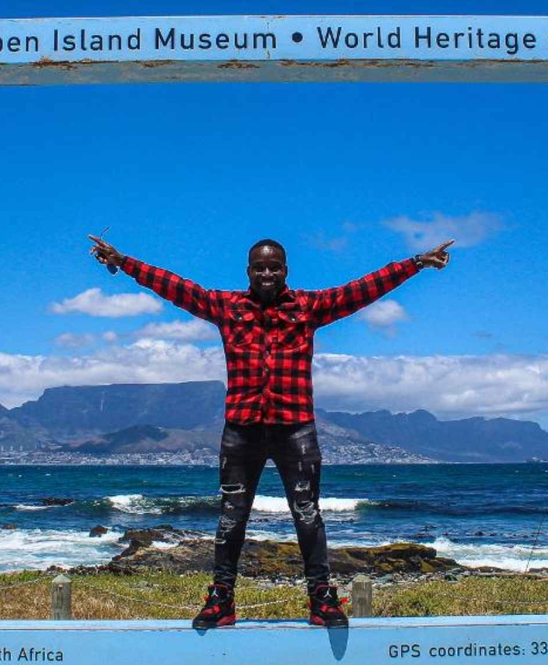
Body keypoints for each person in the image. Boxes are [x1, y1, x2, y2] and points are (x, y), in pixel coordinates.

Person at [88, 234, 452, 628]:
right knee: (231, 518)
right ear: (248, 271)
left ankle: (322, 600)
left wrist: (415, 263)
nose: (267, 273)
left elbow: (361, 291)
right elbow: (176, 288)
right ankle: (222, 600)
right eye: (260, 267)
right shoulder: (227, 307)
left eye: (274, 267)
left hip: (295, 429)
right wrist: (125, 262)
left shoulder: (308, 307)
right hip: (241, 430)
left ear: (285, 271)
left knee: (308, 515)